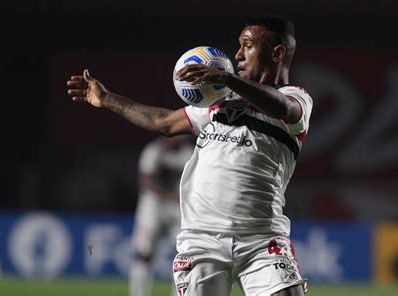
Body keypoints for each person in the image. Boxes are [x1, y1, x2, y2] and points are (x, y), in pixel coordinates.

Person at [67, 15, 312, 296]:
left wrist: (228, 79)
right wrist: (107, 99)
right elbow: (164, 122)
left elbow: (282, 108)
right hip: (201, 239)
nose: (238, 55)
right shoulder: (219, 104)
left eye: (247, 46)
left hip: (262, 237)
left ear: (277, 52)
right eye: (239, 46)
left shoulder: (296, 98)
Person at [130, 136, 193, 296]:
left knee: (183, 255)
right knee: (144, 253)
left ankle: (178, 293)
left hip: (178, 207)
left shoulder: (189, 152)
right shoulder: (154, 151)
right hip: (153, 206)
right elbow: (146, 181)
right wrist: (170, 196)